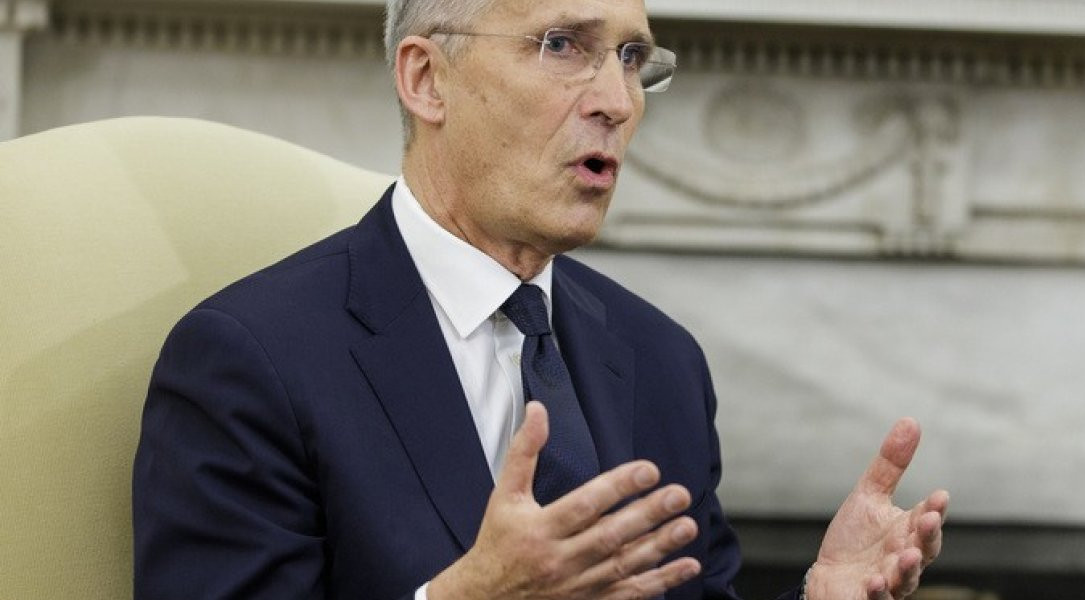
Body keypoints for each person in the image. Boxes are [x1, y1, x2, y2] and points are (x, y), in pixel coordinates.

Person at [131, 0, 950, 598]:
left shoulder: (661, 358)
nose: (616, 101)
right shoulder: (250, 360)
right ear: (426, 79)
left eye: (632, 58)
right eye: (563, 45)